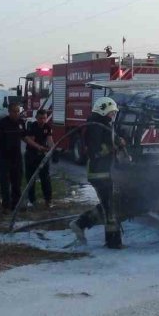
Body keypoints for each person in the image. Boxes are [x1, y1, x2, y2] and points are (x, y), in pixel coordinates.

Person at [69, 97, 126, 249]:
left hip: (105, 172)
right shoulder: (96, 126)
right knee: (110, 209)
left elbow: (108, 142)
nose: (113, 115)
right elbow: (94, 151)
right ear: (103, 110)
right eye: (111, 112)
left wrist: (118, 143)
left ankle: (81, 224)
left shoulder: (102, 124)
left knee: (109, 206)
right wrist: (113, 148)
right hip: (99, 173)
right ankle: (113, 243)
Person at [0, 102, 26, 214]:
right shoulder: (1, 124)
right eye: (14, 111)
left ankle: (16, 205)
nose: (16, 113)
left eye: (18, 111)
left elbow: (25, 137)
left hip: (17, 158)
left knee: (17, 182)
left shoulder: (21, 123)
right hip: (3, 158)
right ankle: (6, 206)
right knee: (4, 183)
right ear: (9, 112)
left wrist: (37, 146)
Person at [23, 109, 54, 208]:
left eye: (44, 118)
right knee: (31, 179)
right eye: (40, 118)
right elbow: (30, 141)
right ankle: (32, 201)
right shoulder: (33, 126)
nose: (43, 120)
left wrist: (53, 149)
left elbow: (49, 140)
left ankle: (48, 200)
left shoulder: (47, 127)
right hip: (31, 156)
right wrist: (40, 147)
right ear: (36, 118)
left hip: (42, 156)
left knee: (45, 178)